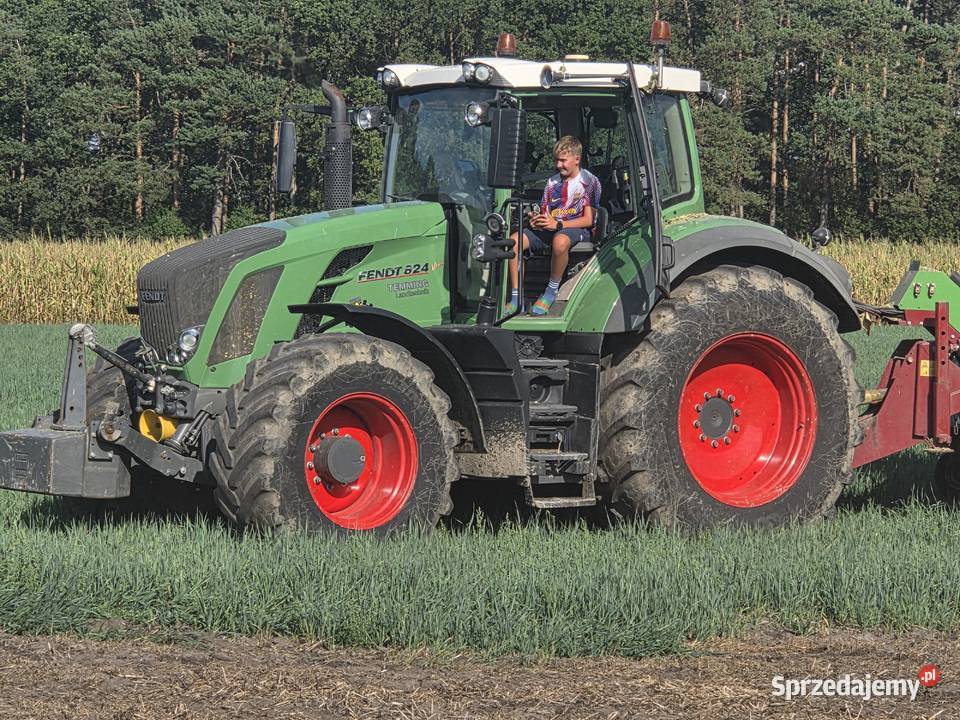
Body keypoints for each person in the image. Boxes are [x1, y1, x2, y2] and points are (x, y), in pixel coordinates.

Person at [505, 135, 601, 316]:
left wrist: (558, 224)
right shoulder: (551, 183)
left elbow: (589, 219)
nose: (558, 165)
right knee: (514, 242)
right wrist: (536, 219)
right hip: (552, 227)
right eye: (556, 160)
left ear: (577, 159)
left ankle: (550, 292)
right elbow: (545, 213)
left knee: (560, 241)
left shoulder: (590, 182)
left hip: (578, 229)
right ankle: (517, 298)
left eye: (563, 160)